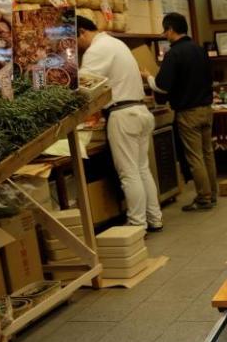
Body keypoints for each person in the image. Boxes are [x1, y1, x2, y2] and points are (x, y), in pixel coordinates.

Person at [76, 16, 163, 232]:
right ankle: (154, 218)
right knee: (142, 169)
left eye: (74, 40)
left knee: (129, 173)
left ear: (81, 32)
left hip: (123, 114)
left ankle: (137, 224)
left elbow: (83, 86)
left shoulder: (97, 49)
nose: (75, 47)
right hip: (140, 110)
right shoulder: (116, 43)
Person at [142, 12, 216, 212]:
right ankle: (213, 193)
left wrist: (148, 77)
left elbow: (162, 86)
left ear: (171, 30)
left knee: (195, 157)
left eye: (165, 30)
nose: (164, 34)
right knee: (207, 153)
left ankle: (203, 197)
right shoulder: (199, 49)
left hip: (187, 112)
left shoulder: (174, 54)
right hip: (207, 109)